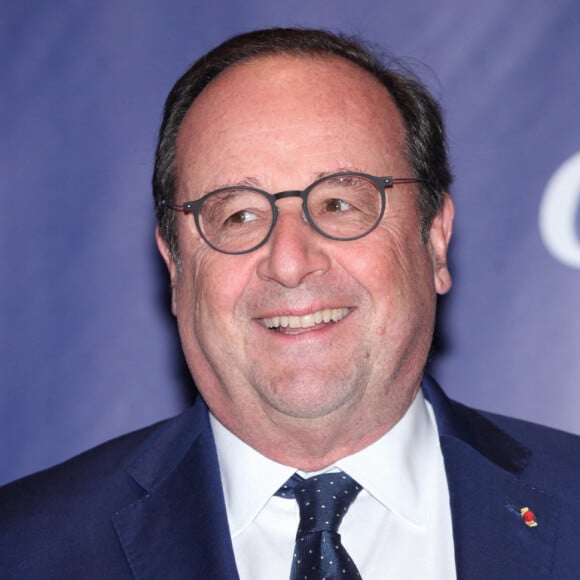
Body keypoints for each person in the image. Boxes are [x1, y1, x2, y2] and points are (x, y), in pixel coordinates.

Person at [1, 27, 579, 579]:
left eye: (339, 204)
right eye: (239, 215)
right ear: (176, 268)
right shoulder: (25, 552)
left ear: (433, 240)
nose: (290, 260)